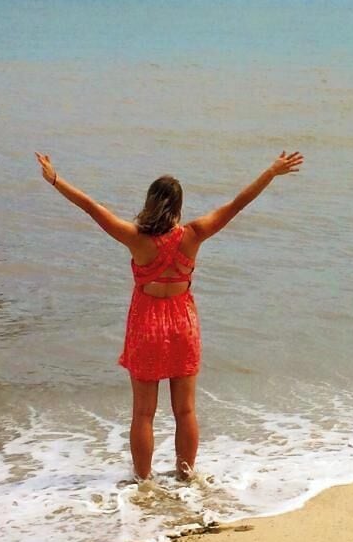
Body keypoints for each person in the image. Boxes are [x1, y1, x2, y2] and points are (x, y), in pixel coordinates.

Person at [34, 149, 304, 483]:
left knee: (144, 413)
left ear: (150, 203)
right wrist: (271, 171)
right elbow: (237, 204)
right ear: (177, 207)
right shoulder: (193, 235)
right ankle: (186, 476)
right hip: (182, 324)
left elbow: (91, 207)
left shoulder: (135, 239)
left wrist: (56, 179)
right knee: (186, 409)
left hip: (147, 324)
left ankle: (143, 482)